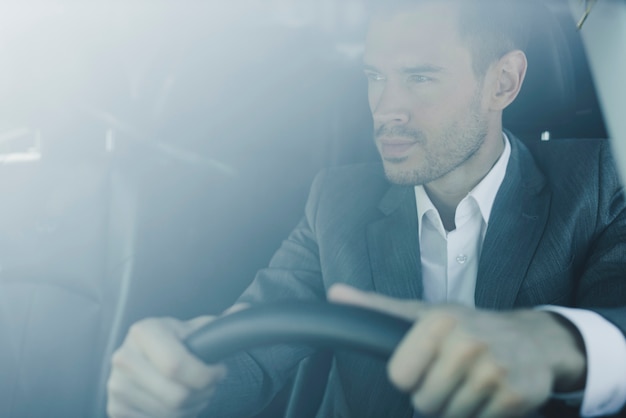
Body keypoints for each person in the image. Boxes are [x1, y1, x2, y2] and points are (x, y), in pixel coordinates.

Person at [106, 1, 626, 417]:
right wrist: (174, 374)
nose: (385, 108)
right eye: (375, 76)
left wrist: (557, 343)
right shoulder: (336, 200)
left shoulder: (601, 179)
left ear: (504, 82)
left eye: (419, 77)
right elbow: (252, 349)